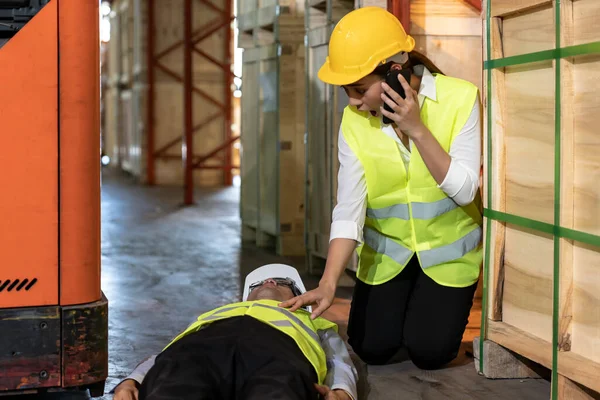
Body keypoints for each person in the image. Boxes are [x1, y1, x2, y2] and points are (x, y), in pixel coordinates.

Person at [280, 7, 482, 370]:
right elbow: (349, 208)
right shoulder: (354, 121)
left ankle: (423, 318)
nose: (353, 102)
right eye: (347, 92)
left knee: (430, 354)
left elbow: (465, 191)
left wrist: (417, 129)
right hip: (389, 259)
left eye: (359, 90)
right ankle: (404, 313)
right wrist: (328, 282)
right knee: (371, 348)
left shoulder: (461, 98)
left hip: (448, 259)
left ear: (394, 72)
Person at [111, 264, 358, 400]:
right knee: (173, 388)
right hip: (201, 351)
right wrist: (133, 380)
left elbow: (339, 359)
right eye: (260, 283)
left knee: (277, 393)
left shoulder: (312, 320)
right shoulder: (212, 316)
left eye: (282, 282)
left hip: (279, 356)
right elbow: (167, 355)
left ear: (299, 299)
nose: (269, 282)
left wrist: (343, 393)